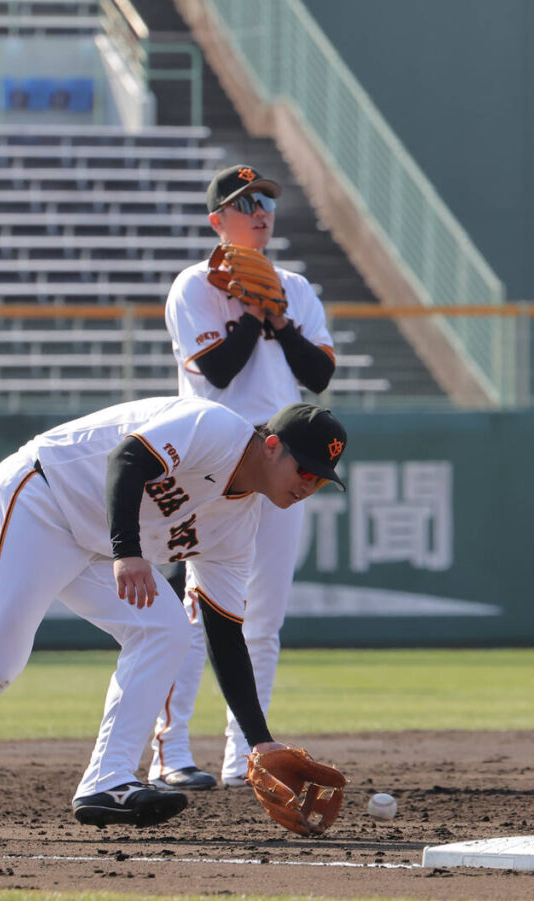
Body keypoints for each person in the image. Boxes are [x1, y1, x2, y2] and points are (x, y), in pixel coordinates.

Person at [0, 396, 347, 839]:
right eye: (305, 469)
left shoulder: (238, 528)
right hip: (38, 500)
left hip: (96, 544)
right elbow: (129, 459)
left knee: (166, 630)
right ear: (270, 446)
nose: (310, 485)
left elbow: (225, 632)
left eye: (322, 478)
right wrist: (128, 552)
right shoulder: (217, 427)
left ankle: (107, 781)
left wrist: (258, 742)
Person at [148, 164, 337, 791]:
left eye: (266, 201)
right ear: (217, 220)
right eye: (244, 201)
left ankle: (242, 757)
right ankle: (170, 752)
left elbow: (319, 374)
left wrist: (278, 318)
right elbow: (219, 373)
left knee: (265, 620)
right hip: (212, 460)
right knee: (200, 616)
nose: (260, 210)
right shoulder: (195, 286)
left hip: (281, 463)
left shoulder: (295, 287)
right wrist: (254, 317)